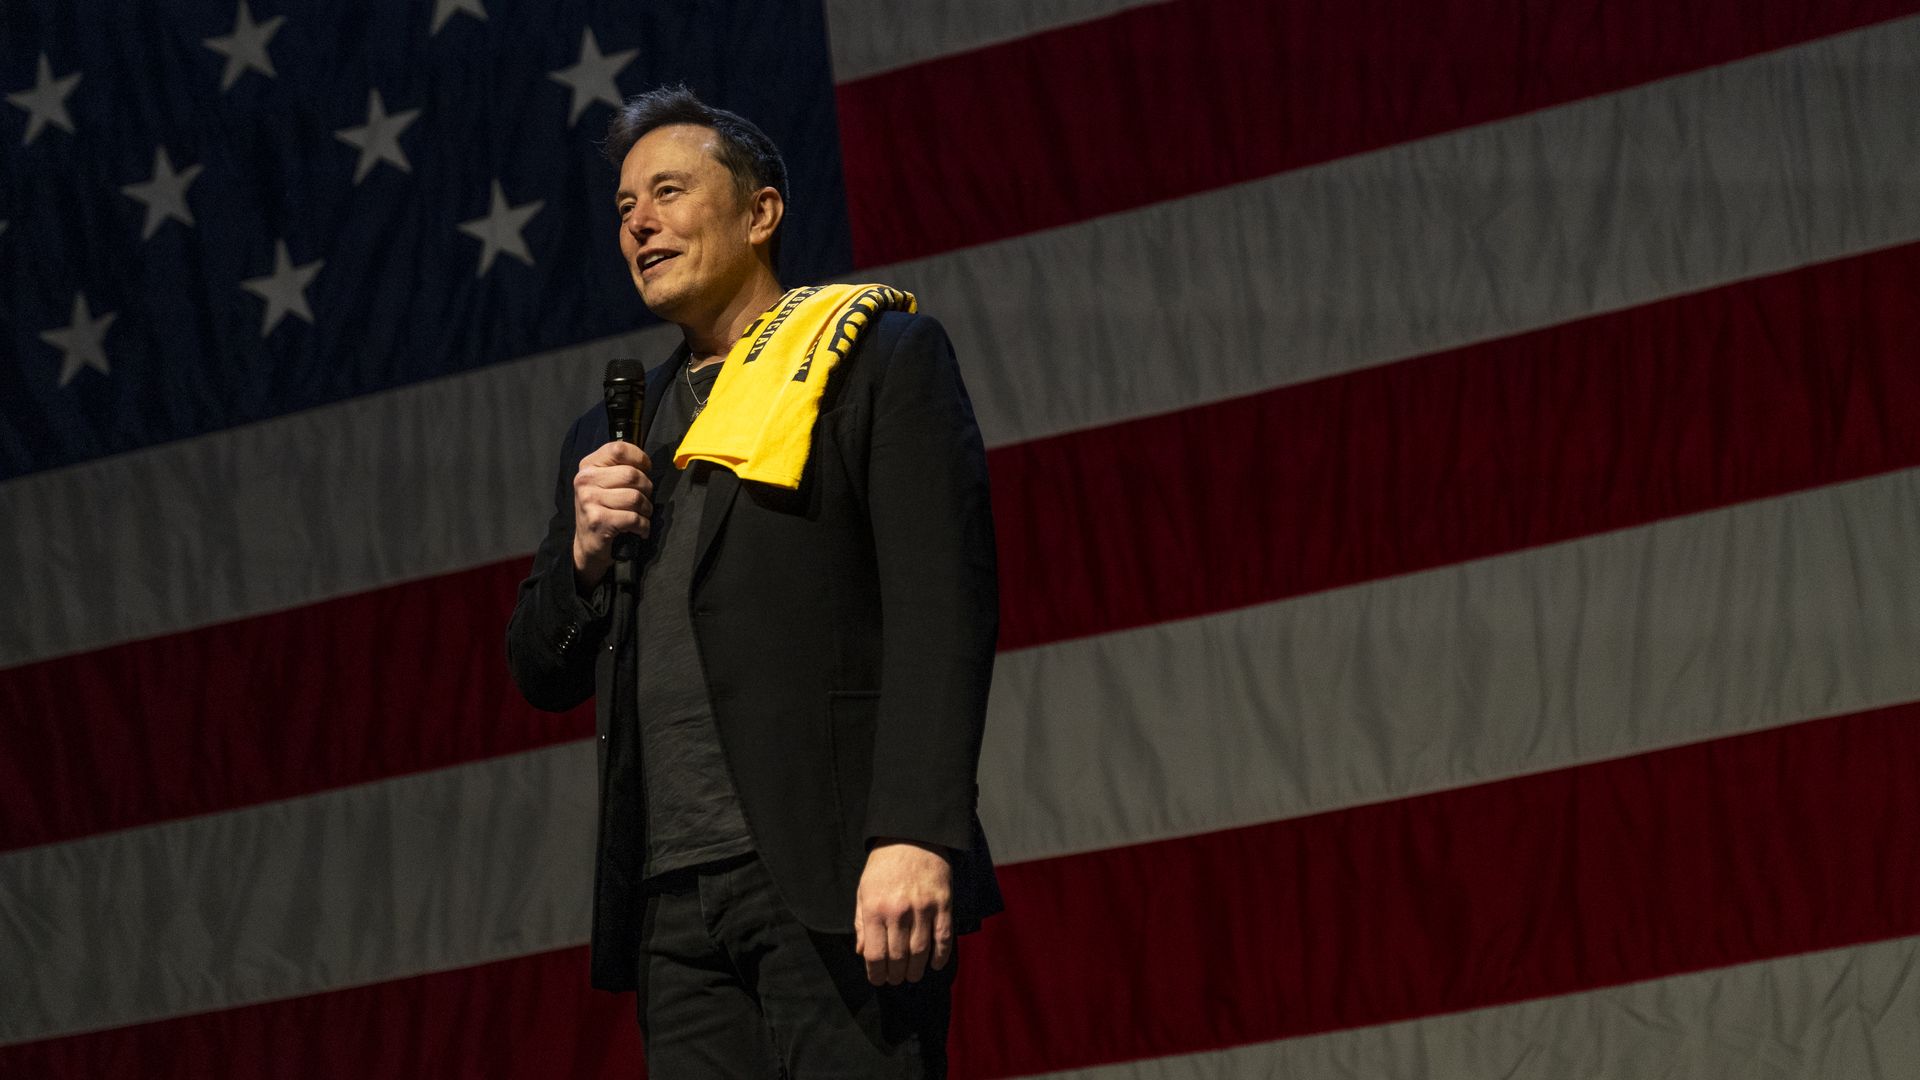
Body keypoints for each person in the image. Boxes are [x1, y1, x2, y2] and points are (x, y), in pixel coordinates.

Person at [505, 85, 1002, 1077]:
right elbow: (539, 667)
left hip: (833, 873)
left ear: (761, 211)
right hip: (669, 902)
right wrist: (583, 560)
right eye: (623, 207)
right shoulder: (614, 433)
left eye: (669, 192)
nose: (637, 222)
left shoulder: (872, 360)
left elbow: (942, 608)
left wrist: (912, 833)